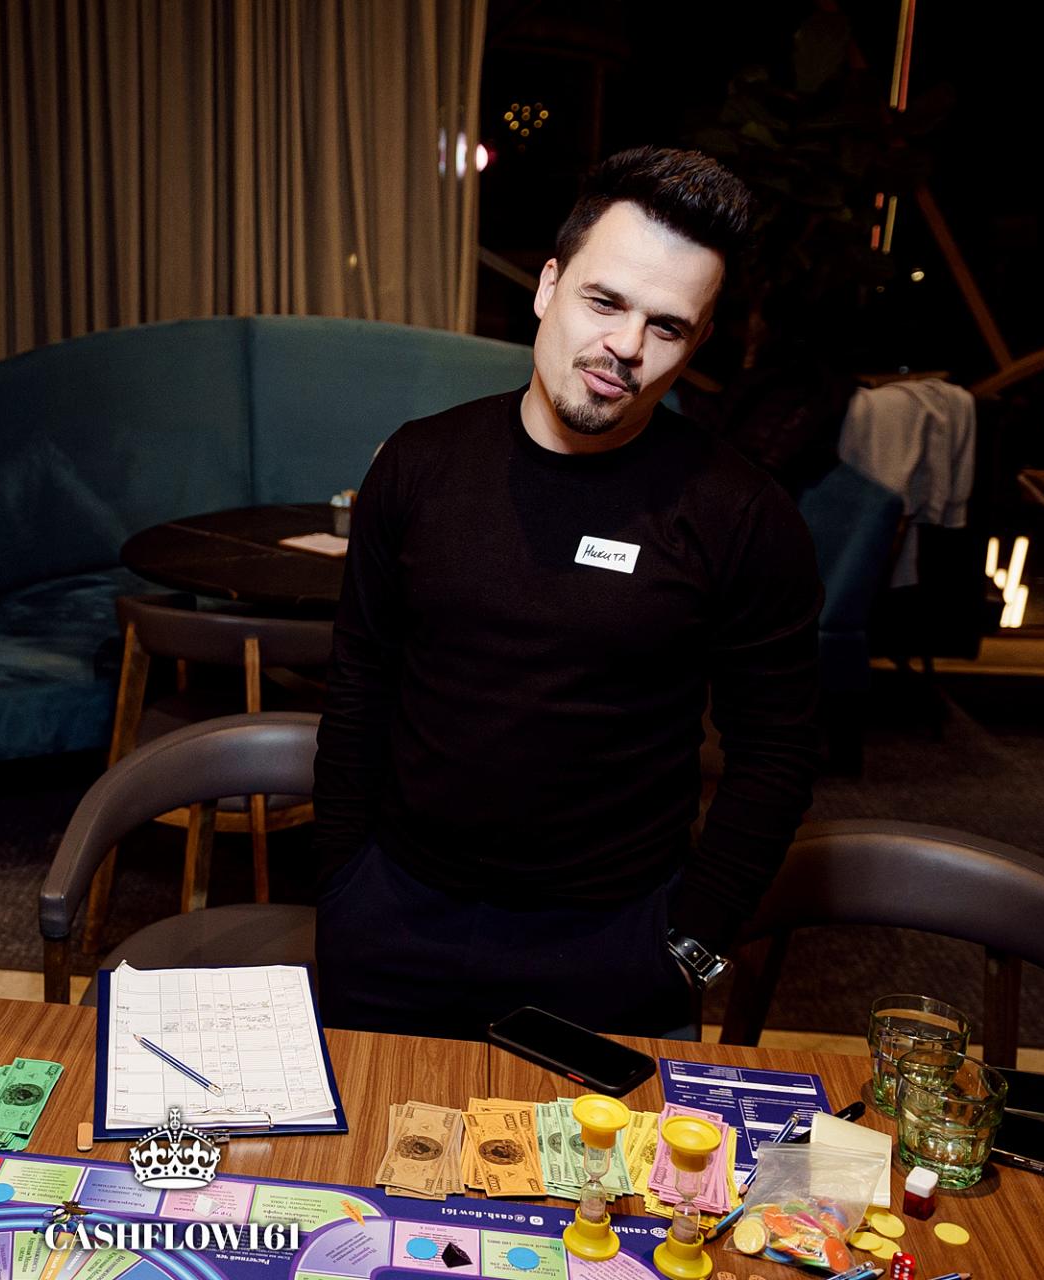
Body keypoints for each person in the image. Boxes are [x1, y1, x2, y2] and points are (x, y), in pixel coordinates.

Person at [312, 147, 822, 1041]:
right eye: (605, 301)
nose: (627, 346)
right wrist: (342, 882)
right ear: (549, 286)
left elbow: (777, 753)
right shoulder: (419, 464)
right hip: (393, 923)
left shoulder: (743, 514)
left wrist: (693, 941)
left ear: (697, 343)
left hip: (613, 949)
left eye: (667, 326)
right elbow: (360, 681)